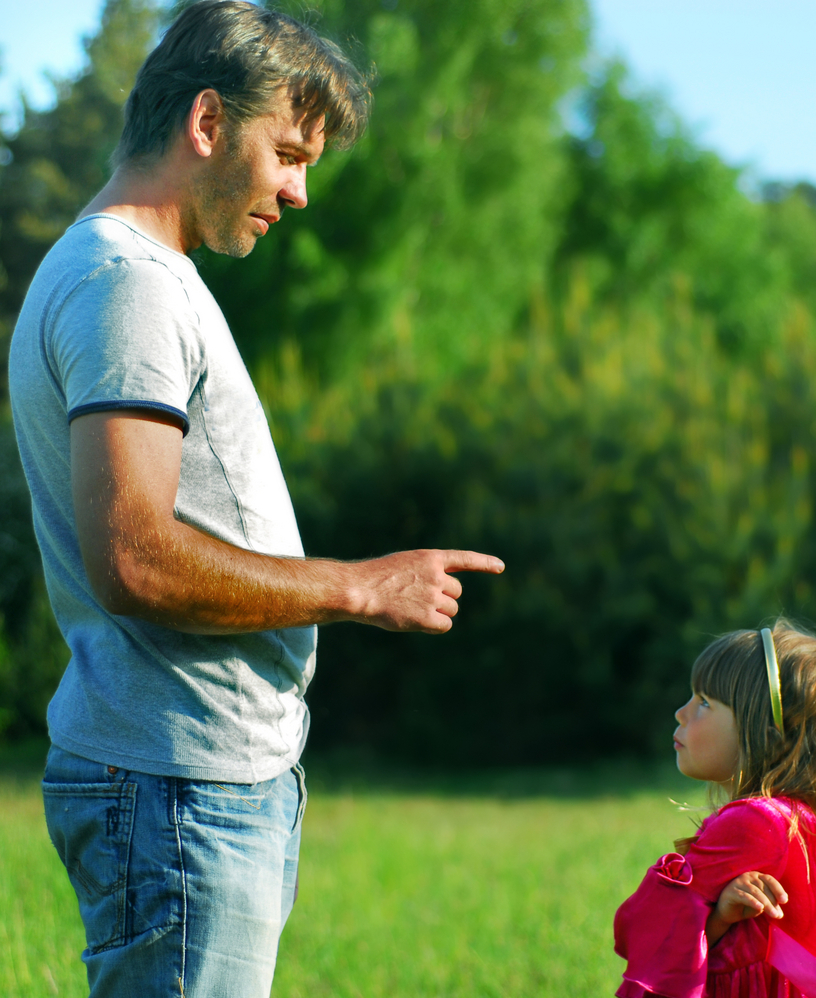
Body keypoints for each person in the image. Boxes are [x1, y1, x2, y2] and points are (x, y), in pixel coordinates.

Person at [8, 3, 503, 996]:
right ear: (205, 124)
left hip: (189, 782)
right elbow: (136, 557)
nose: (301, 190)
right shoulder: (127, 285)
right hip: (178, 786)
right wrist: (357, 587)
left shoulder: (129, 274)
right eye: (287, 152)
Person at [613, 621, 816, 998]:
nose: (680, 712)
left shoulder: (758, 823)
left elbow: (647, 930)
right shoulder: (811, 823)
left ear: (766, 733)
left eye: (704, 702)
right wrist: (721, 917)